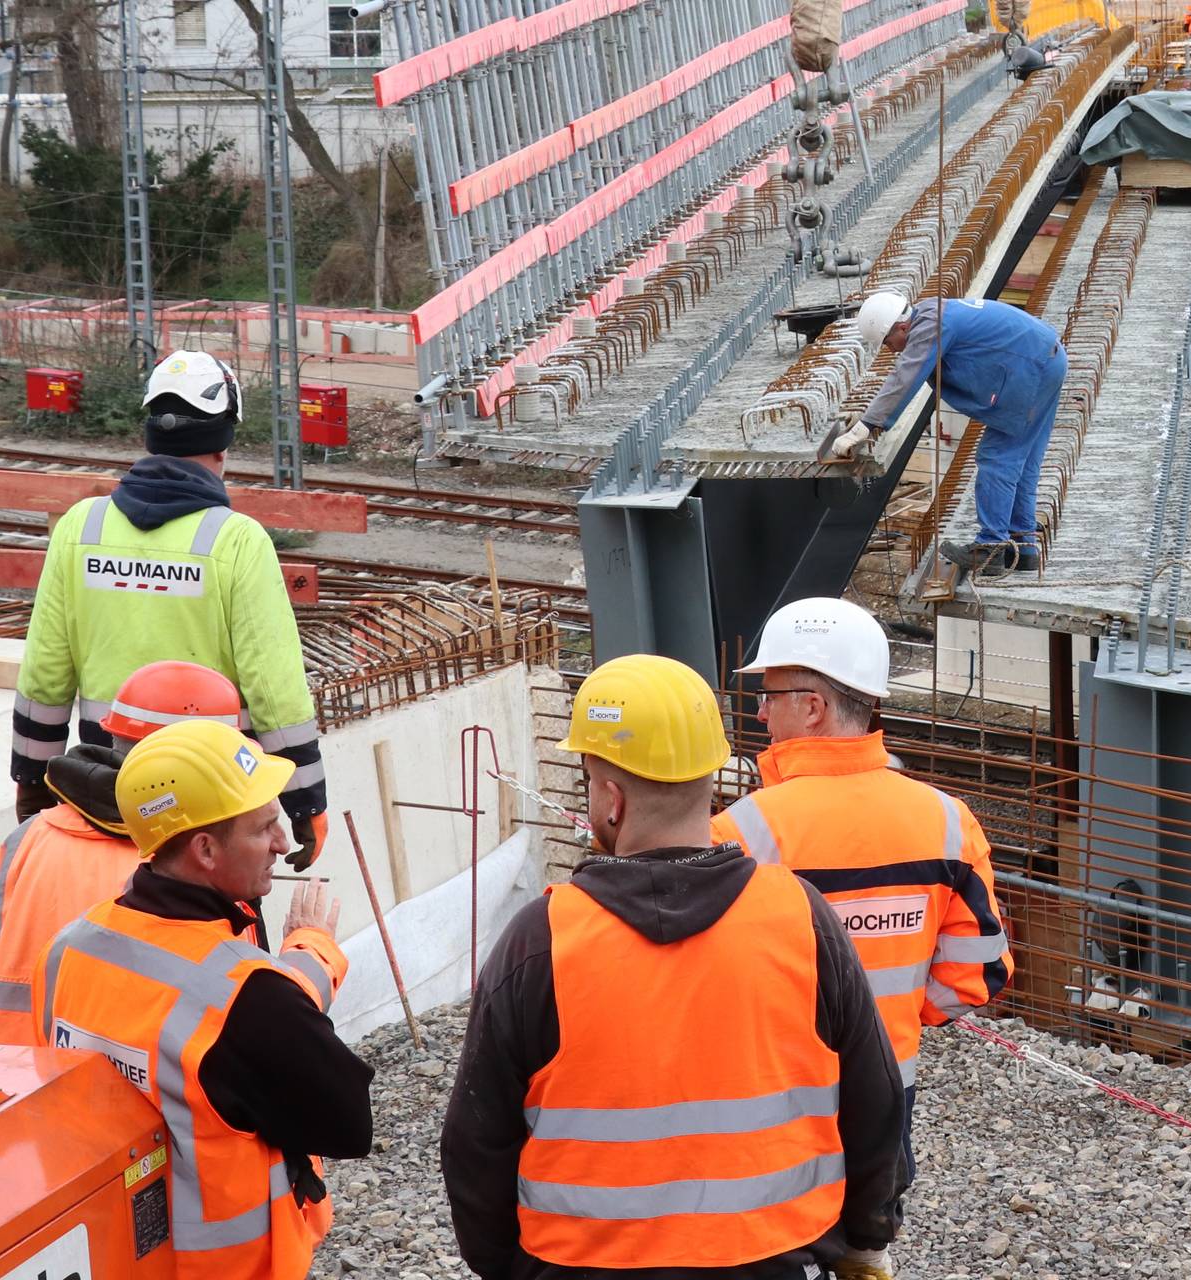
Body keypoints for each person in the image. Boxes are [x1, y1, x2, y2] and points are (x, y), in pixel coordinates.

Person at [442, 653, 908, 1280]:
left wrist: (512, 1269)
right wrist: (864, 1238)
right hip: (776, 1261)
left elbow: (476, 1144)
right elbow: (876, 1105)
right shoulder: (801, 918)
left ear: (610, 799)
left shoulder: (542, 940)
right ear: (710, 779)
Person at [39, 719, 370, 1280]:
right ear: (206, 850)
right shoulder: (250, 999)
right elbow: (347, 1125)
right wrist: (313, 952)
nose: (282, 843)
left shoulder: (70, 950)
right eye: (264, 828)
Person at [12, 349, 331, 870]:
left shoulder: (80, 528)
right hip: (211, 802)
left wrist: (32, 780)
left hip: (105, 789)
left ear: (150, 435)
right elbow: (275, 688)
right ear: (224, 443)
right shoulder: (236, 541)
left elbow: (45, 675)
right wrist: (306, 799)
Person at [715, 597, 1014, 1097]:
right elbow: (980, 970)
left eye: (768, 695)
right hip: (889, 1083)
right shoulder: (947, 821)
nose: (762, 712)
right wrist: (896, 1013)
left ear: (813, 707)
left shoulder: (740, 832)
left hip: (778, 1094)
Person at [0, 660, 245, 1044]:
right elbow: (239, 1022)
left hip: (16, 1090)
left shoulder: (26, 840)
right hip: (133, 1103)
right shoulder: (196, 864)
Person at [847, 292, 1070, 578]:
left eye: (889, 343)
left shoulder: (931, 326)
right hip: (1044, 360)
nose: (891, 350)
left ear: (902, 327)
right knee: (1022, 462)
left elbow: (906, 375)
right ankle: (1023, 548)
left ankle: (991, 548)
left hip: (1031, 369)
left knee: (997, 458)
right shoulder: (932, 314)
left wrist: (868, 424)